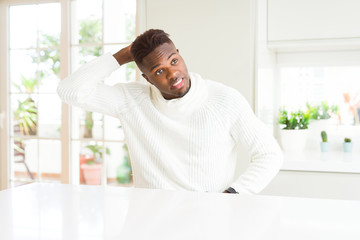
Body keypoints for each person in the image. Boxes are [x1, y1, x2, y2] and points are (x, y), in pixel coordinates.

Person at [57, 29, 283, 194]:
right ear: (146, 78)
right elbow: (70, 91)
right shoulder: (131, 100)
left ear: (180, 54)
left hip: (207, 222)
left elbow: (269, 154)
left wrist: (234, 195)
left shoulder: (224, 100)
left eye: (174, 60)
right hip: (149, 221)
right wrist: (122, 56)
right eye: (159, 71)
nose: (173, 74)